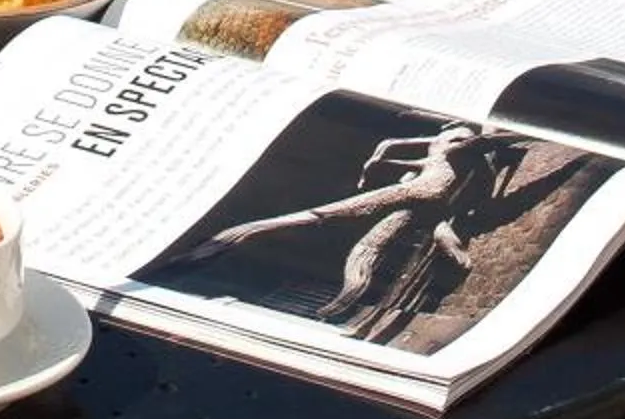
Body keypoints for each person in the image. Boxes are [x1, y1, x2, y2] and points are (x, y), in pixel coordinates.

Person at [154, 124, 500, 340]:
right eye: (454, 133)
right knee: (331, 223)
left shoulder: (458, 148)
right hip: (416, 195)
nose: (457, 137)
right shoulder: (448, 145)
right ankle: (216, 246)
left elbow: (392, 145)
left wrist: (376, 165)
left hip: (424, 204)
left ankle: (334, 312)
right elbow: (395, 145)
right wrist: (377, 166)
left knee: (366, 249)